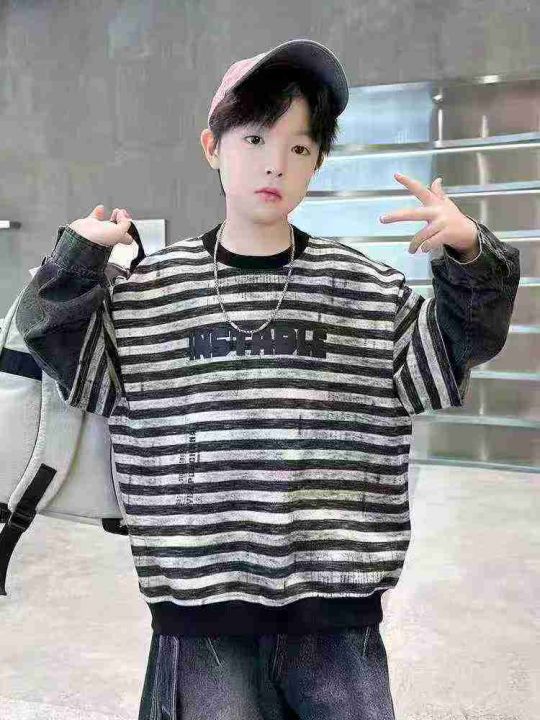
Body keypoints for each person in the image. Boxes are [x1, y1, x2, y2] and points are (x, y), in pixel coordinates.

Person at [15, 38, 520, 720]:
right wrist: (74, 259)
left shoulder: (361, 289)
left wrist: (471, 255)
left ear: (317, 164)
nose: (275, 163)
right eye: (254, 138)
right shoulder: (151, 294)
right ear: (213, 147)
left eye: (300, 147)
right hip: (201, 618)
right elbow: (58, 346)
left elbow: (457, 348)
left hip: (337, 619)